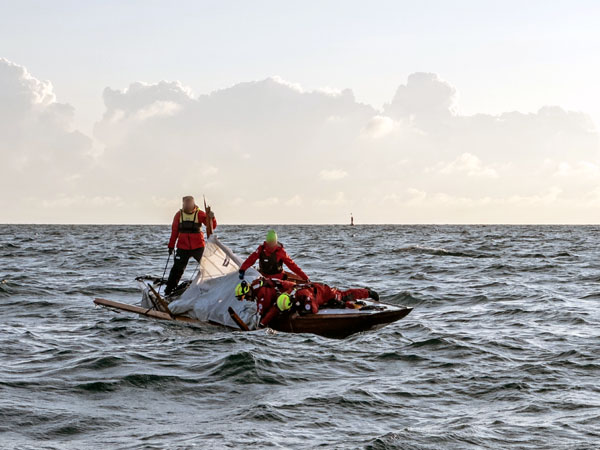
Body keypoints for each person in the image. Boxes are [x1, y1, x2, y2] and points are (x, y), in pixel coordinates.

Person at [164, 195, 217, 295]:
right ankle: (169, 291)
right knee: (177, 270)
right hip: (182, 247)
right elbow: (174, 232)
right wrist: (171, 246)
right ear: (183, 204)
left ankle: (213, 287)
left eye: (190, 203)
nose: (188, 205)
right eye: (186, 203)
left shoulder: (200, 214)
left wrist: (212, 217)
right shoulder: (178, 215)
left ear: (193, 204)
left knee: (208, 266)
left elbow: (212, 226)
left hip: (198, 247)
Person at [238, 230, 308, 281]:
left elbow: (292, 265)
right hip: (263, 276)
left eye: (272, 241)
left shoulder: (280, 251)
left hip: (277, 278)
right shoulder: (261, 249)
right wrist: (242, 270)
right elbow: (251, 259)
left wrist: (304, 277)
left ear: (275, 241)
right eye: (270, 241)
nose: (271, 244)